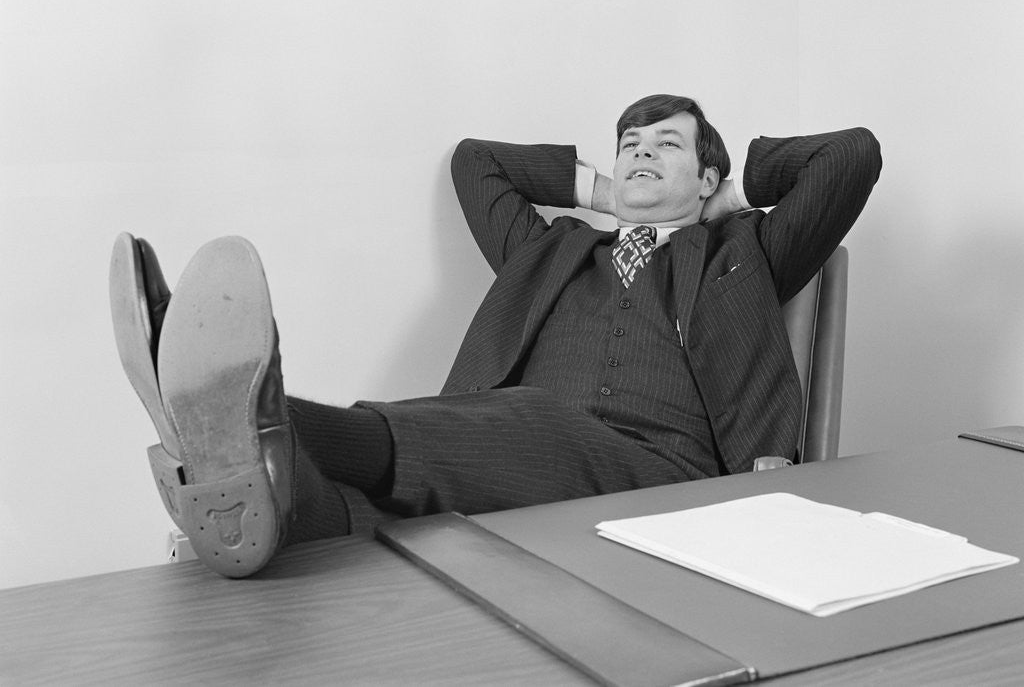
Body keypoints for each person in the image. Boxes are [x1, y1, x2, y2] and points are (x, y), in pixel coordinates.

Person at [109, 94, 881, 578]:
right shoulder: (549, 251)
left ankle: (244, 413)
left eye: (667, 144)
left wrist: (732, 191)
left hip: (665, 482)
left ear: (707, 180)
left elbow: (851, 156)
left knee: (528, 413)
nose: (642, 150)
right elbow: (477, 164)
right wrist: (612, 196)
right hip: (519, 478)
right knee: (366, 524)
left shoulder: (744, 255)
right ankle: (254, 483)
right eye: (630, 144)